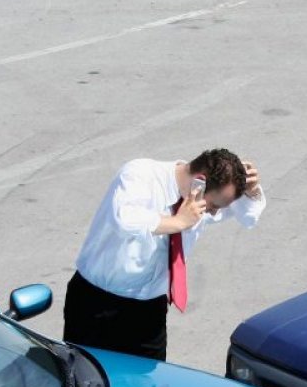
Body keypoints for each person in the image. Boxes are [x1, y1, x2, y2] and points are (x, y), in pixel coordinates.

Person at [63, 148, 264, 361]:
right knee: (84, 383)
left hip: (149, 311)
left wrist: (253, 192)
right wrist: (178, 222)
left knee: (150, 386)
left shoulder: (198, 201)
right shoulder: (139, 174)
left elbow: (249, 218)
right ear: (199, 182)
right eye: (213, 205)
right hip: (97, 304)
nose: (213, 213)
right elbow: (124, 220)